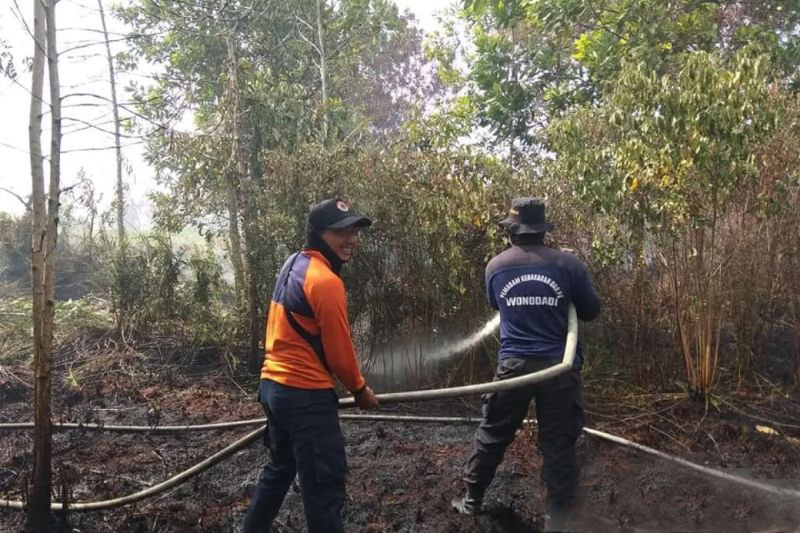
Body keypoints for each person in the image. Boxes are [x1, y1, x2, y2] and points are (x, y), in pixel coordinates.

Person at [451, 197, 601, 532]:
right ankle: (556, 522)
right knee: (558, 444)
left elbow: (498, 303)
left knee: (493, 433)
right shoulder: (569, 265)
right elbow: (591, 311)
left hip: (514, 368)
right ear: (543, 230)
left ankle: (472, 500)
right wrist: (570, 277)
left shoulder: (496, 267)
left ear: (512, 231)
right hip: (558, 369)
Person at [244, 198, 380, 533]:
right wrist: (360, 389)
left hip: (273, 389)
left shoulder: (294, 263)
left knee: (279, 471)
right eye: (340, 232)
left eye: (353, 232)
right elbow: (339, 351)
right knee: (323, 488)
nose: (350, 239)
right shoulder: (326, 282)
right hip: (304, 396)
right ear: (318, 234)